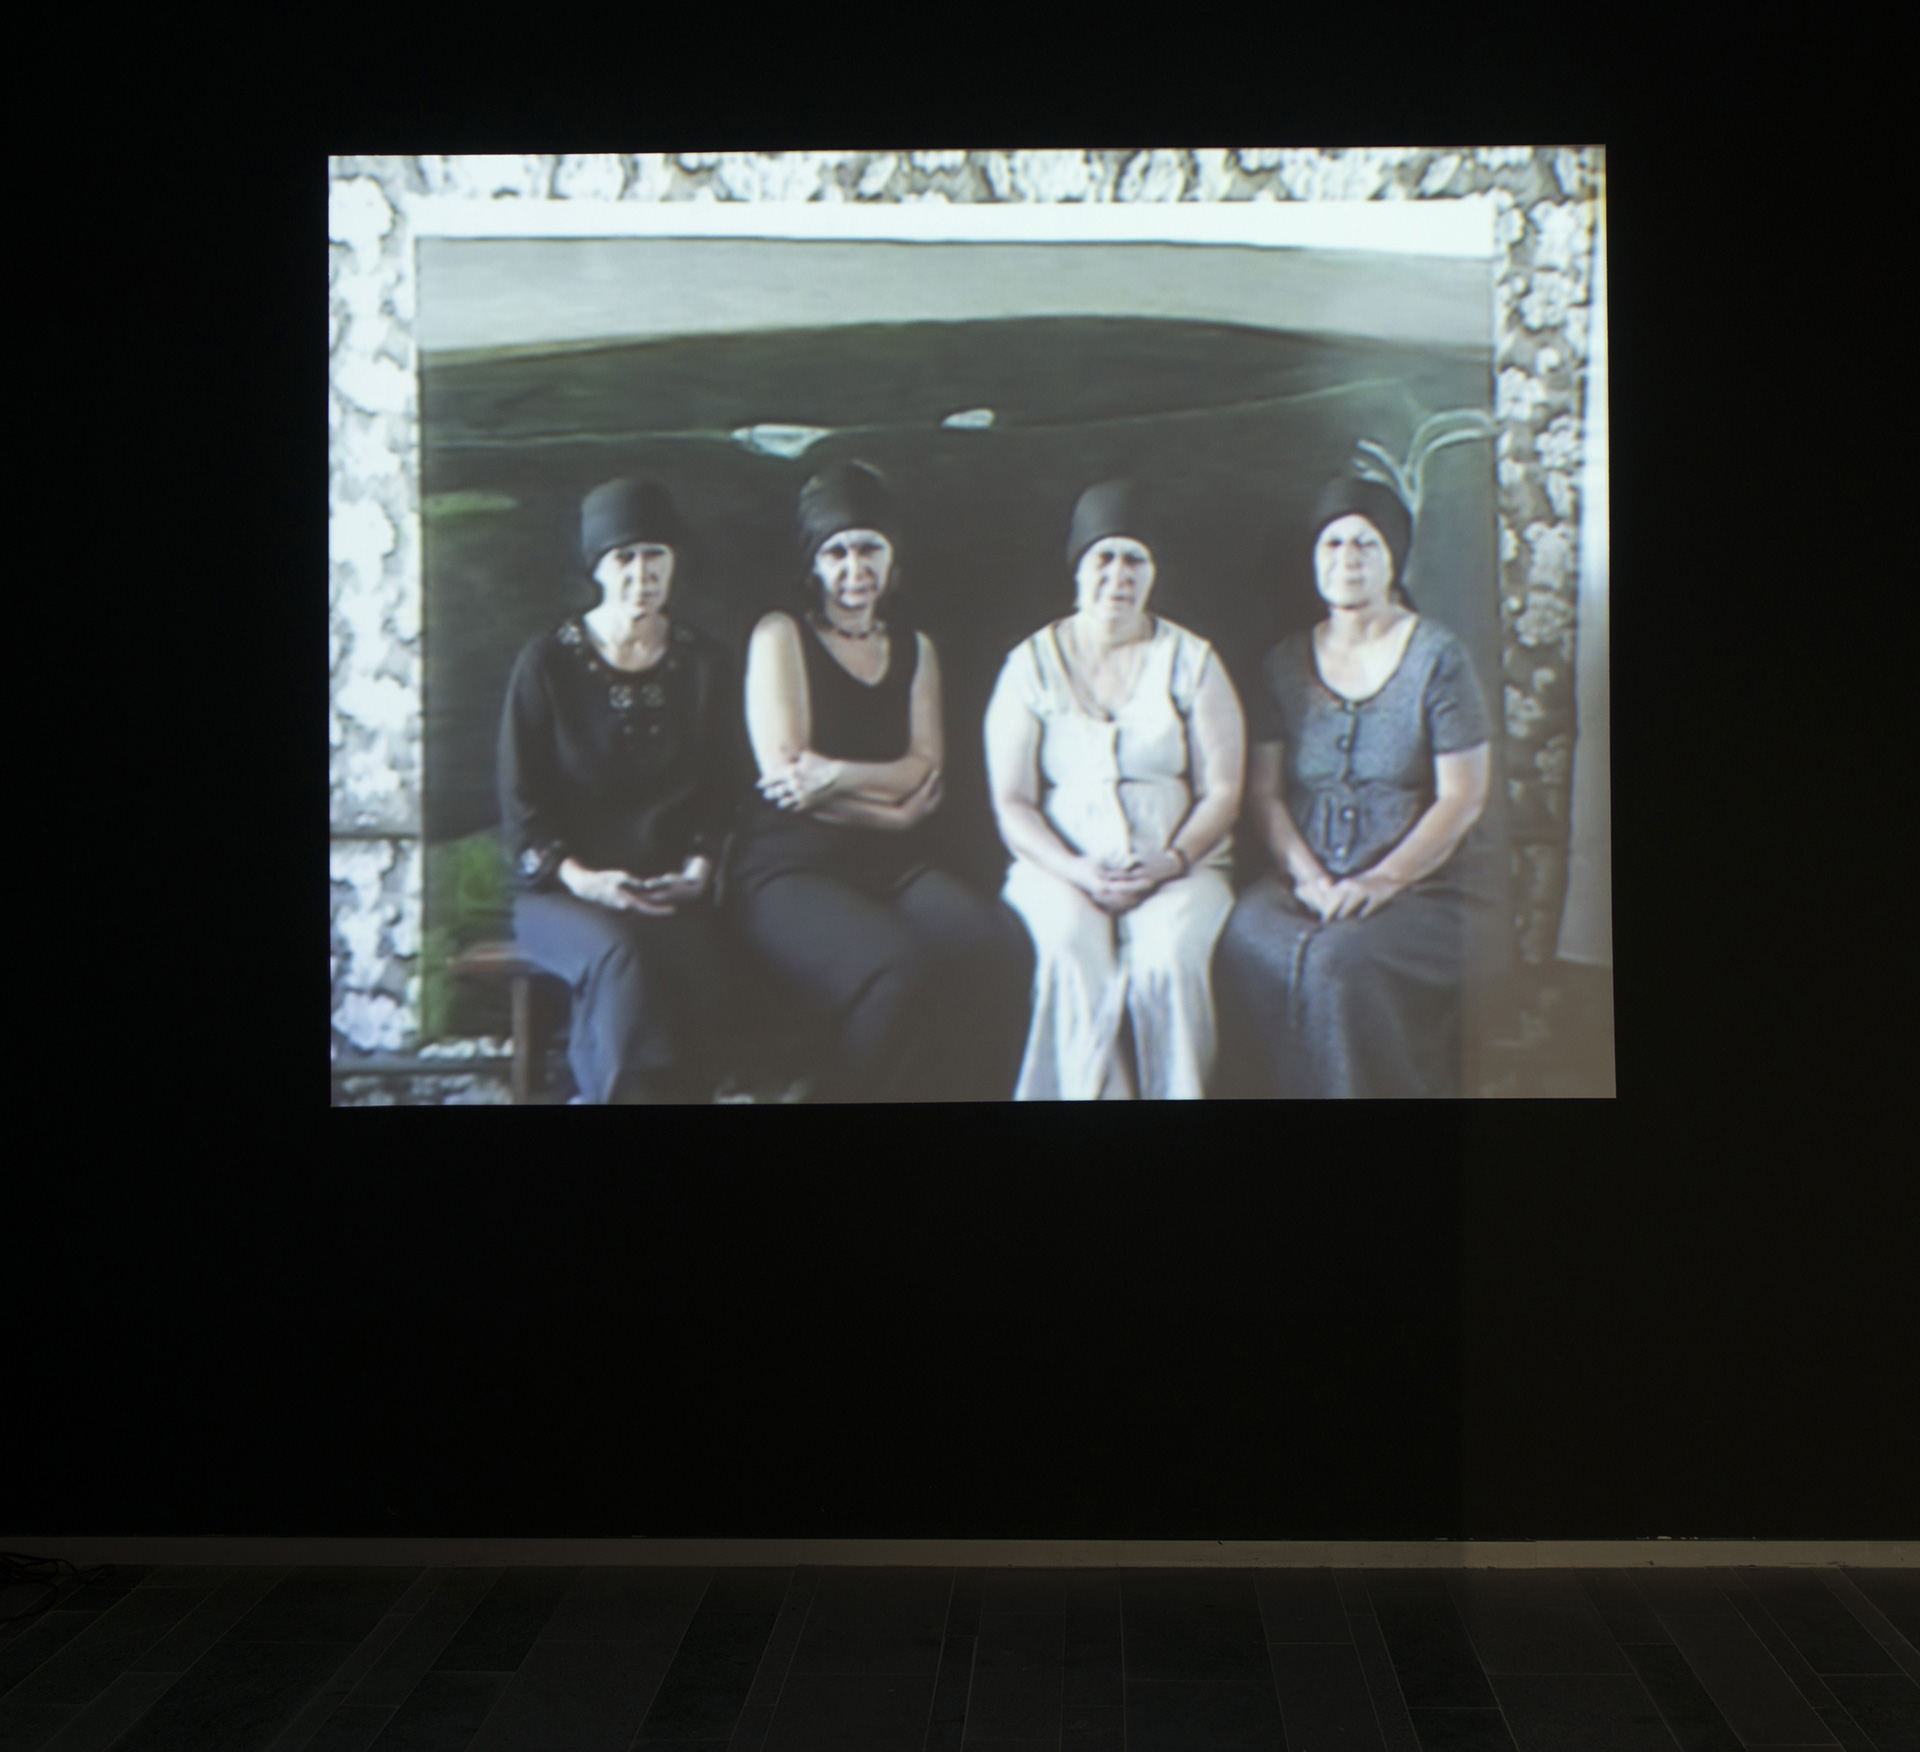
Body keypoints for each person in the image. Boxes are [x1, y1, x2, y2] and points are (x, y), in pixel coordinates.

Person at [729, 460, 1027, 1102]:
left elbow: (923, 766)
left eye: (869, 548)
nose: (855, 568)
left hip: (890, 866)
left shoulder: (916, 648)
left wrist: (838, 775)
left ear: (893, 559)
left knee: (992, 947)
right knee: (895, 969)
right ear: (813, 565)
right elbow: (787, 778)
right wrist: (893, 811)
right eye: (836, 552)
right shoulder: (781, 635)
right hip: (790, 867)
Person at [1214, 474, 1496, 1098]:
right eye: (1333, 544)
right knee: (1245, 936)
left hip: (1425, 888)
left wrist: (1382, 879)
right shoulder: (1282, 663)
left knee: (1339, 962)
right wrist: (1310, 878)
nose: (1348, 559)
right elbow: (1264, 793)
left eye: (1366, 544)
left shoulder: (1438, 657)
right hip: (1305, 880)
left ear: (1393, 559)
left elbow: (1463, 796)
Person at [984, 480, 1245, 1099]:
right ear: (1078, 569)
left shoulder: (1192, 661)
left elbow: (1223, 788)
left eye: (1135, 560)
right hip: (1057, 870)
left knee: (1168, 961)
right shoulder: (1029, 665)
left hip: (1181, 868)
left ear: (1153, 573)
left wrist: (1171, 860)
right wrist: (1076, 869)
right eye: (1104, 557)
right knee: (1072, 955)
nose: (1118, 575)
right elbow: (1012, 801)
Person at [497, 476, 738, 1103]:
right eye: (624, 557)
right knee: (619, 955)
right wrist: (584, 880)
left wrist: (698, 868)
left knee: (697, 964)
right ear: (597, 568)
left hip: (667, 887)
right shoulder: (547, 663)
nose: (642, 574)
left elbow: (723, 788)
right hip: (563, 892)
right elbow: (522, 808)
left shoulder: (705, 664)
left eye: (656, 555)